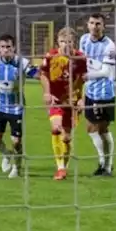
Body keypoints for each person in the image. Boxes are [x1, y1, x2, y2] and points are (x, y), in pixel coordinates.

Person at [0, 34, 38, 179]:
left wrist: (41, 73)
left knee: (16, 141)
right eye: (3, 47)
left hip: (16, 107)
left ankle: (17, 168)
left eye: (8, 47)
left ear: (14, 48)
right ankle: (6, 154)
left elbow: (36, 73)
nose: (6, 50)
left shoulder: (21, 62)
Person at [39, 27, 86, 181]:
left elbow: (84, 80)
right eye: (62, 41)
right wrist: (47, 93)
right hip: (55, 99)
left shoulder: (80, 58)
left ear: (74, 43)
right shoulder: (51, 56)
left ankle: (64, 167)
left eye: (69, 42)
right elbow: (43, 75)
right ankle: (60, 168)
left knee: (66, 137)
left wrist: (82, 98)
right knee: (55, 128)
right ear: (57, 42)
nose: (66, 45)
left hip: (72, 101)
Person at [79, 13, 116, 176]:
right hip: (89, 91)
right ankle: (104, 162)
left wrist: (88, 76)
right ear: (87, 24)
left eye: (98, 24)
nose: (95, 26)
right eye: (92, 23)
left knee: (101, 129)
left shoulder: (109, 46)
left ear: (104, 26)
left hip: (103, 93)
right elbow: (82, 62)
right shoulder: (84, 40)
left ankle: (106, 164)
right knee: (91, 128)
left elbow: (105, 71)